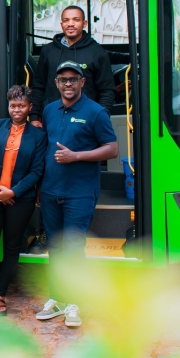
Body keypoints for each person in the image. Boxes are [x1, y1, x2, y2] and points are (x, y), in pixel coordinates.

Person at [35, 61, 118, 328]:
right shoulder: (49, 110)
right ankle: (57, 298)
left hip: (80, 193)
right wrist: (39, 186)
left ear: (83, 82)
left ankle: (74, 302)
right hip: (50, 190)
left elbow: (112, 148)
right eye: (63, 80)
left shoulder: (96, 112)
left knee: (72, 247)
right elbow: (45, 148)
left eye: (73, 79)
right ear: (56, 84)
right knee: (55, 247)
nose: (68, 84)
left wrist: (76, 156)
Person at [0, 85, 46, 315]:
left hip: (20, 200)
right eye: (13, 105)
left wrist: (12, 192)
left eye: (21, 106)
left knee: (12, 247)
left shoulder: (38, 136)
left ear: (29, 107)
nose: (16, 110)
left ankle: (1, 295)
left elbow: (36, 171)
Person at [30, 5, 116, 121]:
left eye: (76, 20)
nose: (70, 24)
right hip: (52, 118)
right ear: (61, 24)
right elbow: (38, 86)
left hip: (85, 119)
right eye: (66, 20)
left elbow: (107, 90)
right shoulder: (48, 51)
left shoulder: (97, 52)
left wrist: (101, 118)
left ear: (84, 23)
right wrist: (34, 117)